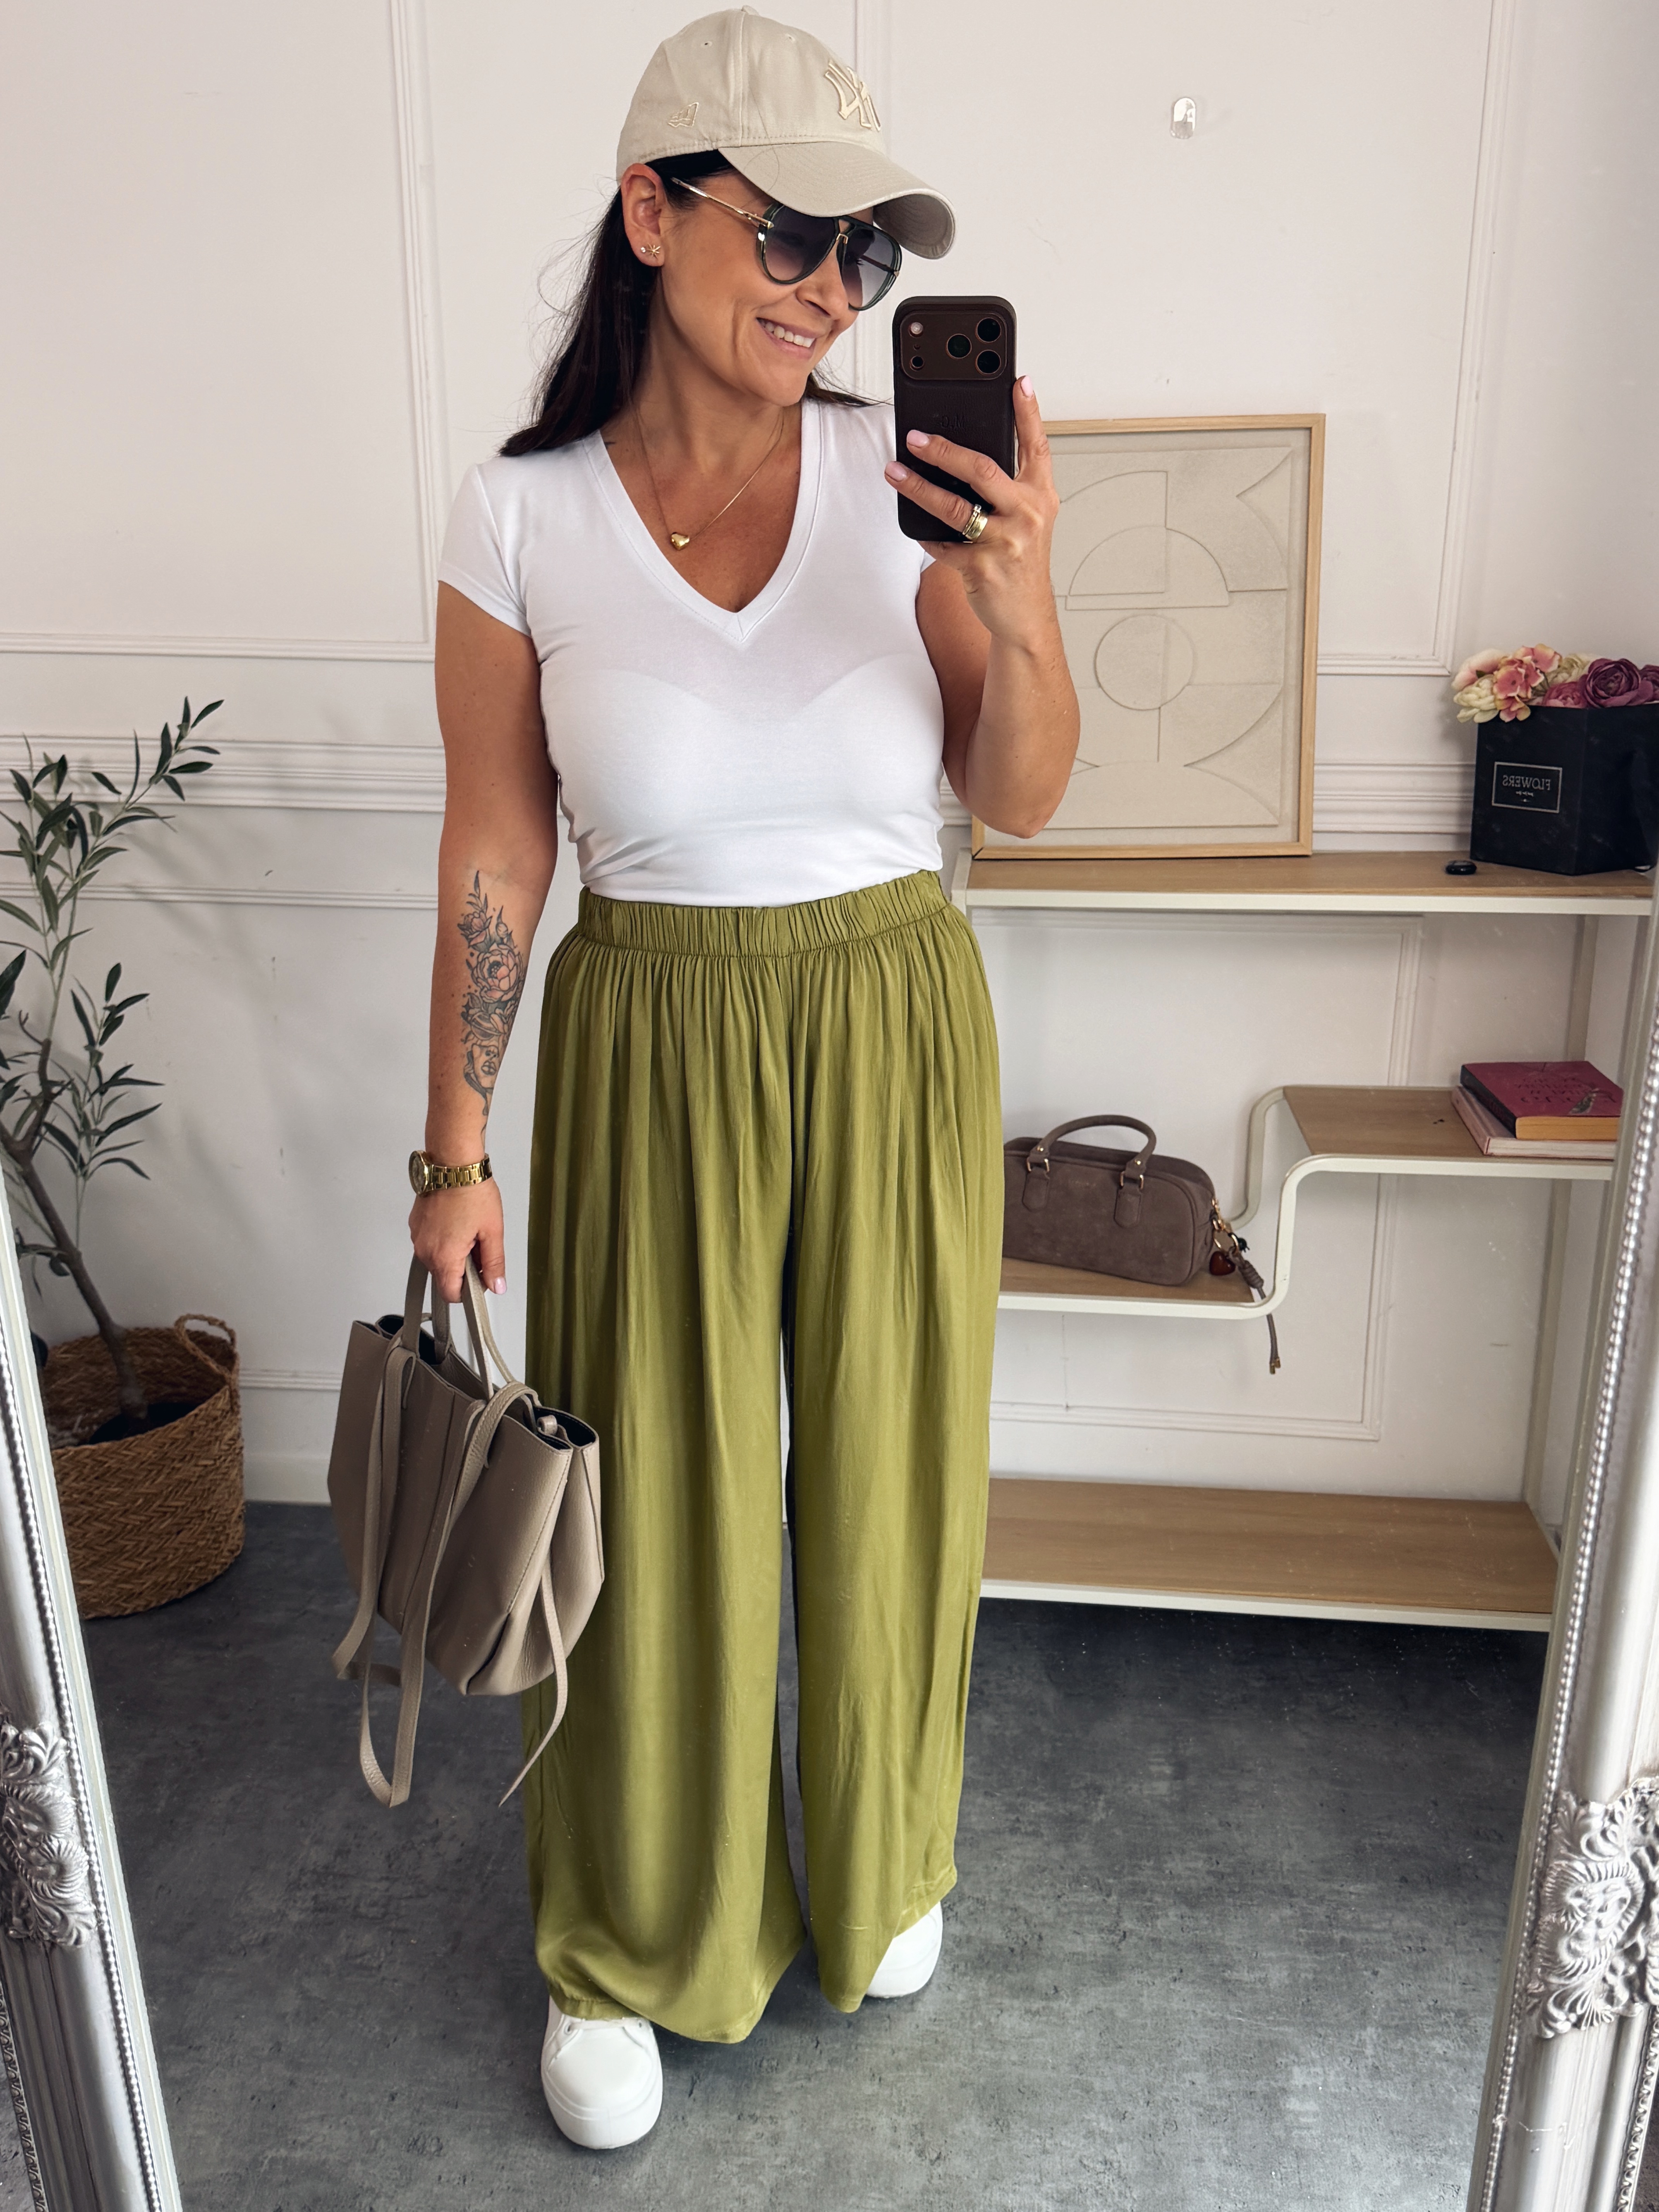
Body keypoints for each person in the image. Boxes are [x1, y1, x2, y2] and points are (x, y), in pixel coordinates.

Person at [409, 4, 1078, 2151]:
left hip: (892, 1010)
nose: (830, 289)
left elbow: (1022, 795)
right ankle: (630, 1935)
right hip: (652, 1030)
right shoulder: (520, 518)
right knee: (657, 1498)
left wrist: (1021, 600)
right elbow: (500, 845)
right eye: (792, 232)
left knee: (892, 1468)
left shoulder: (905, 487)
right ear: (651, 210)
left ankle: (881, 1860)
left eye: (863, 255)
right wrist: (451, 1146)